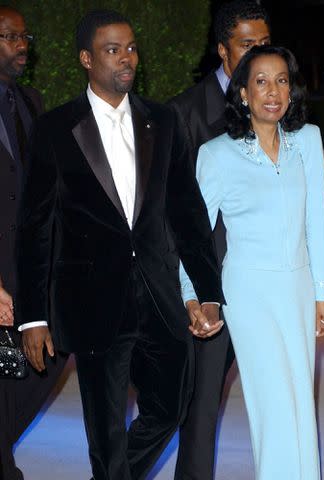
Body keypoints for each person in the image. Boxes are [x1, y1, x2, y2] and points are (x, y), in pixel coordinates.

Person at [14, 9, 224, 480]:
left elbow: (187, 214)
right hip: (90, 303)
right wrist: (33, 316)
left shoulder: (163, 121)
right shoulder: (54, 128)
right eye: (113, 50)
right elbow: (35, 229)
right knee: (106, 430)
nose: (126, 59)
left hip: (158, 296)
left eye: (130, 48)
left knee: (172, 405)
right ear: (87, 59)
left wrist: (208, 291)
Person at [180, 44, 324, 479]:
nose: (273, 91)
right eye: (261, 82)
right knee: (273, 402)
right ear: (243, 94)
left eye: (282, 80)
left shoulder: (308, 140)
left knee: (301, 398)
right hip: (247, 293)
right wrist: (194, 297)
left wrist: (323, 294)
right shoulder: (217, 154)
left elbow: (317, 223)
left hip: (299, 287)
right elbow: (193, 235)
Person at [169, 2, 271, 478]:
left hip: (269, 279)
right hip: (212, 285)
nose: (259, 54)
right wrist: (190, 291)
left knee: (278, 397)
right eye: (248, 44)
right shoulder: (185, 114)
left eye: (265, 44)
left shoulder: (277, 104)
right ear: (222, 51)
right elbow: (172, 212)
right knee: (202, 402)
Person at [0, 6, 67, 480]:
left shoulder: (31, 101)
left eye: (24, 36)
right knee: (5, 374)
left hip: (30, 267)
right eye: (9, 36)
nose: (22, 45)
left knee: (46, 355)